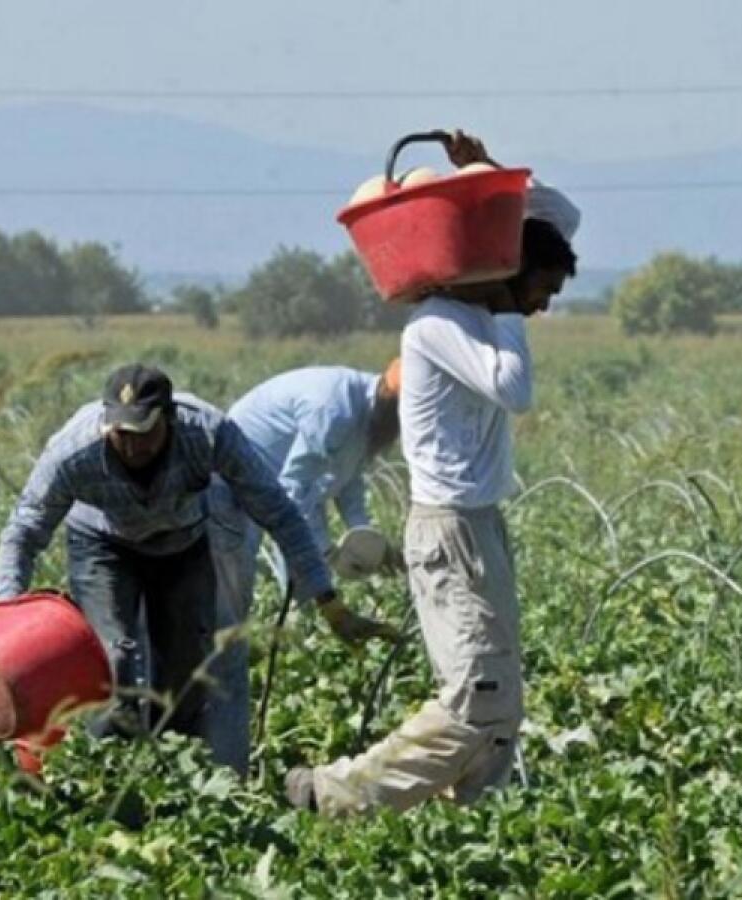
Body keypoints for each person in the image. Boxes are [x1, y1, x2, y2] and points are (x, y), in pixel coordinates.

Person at [285, 133, 580, 814]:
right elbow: (514, 389)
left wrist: (486, 174)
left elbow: (563, 217)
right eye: (541, 289)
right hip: (449, 529)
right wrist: (505, 304)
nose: (542, 307)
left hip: (479, 525)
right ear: (510, 272)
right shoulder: (439, 323)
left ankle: (472, 823)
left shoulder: (477, 317)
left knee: (500, 701)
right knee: (477, 695)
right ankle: (332, 794)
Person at [0, 363, 395, 752]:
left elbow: (279, 512)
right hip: (103, 545)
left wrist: (328, 601)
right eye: (120, 433)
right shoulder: (74, 451)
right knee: (115, 659)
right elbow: (23, 531)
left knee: (185, 677)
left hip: (181, 544)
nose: (131, 445)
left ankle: (174, 773)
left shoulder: (207, 432)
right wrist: (5, 614)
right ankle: (110, 771)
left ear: (169, 419)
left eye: (143, 433)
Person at [205, 360, 405, 773]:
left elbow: (348, 485)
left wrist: (368, 541)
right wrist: (324, 556)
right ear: (393, 401)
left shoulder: (366, 420)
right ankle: (220, 755)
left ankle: (247, 726)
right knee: (227, 621)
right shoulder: (334, 409)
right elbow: (293, 494)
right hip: (230, 491)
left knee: (300, 595)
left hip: (269, 492)